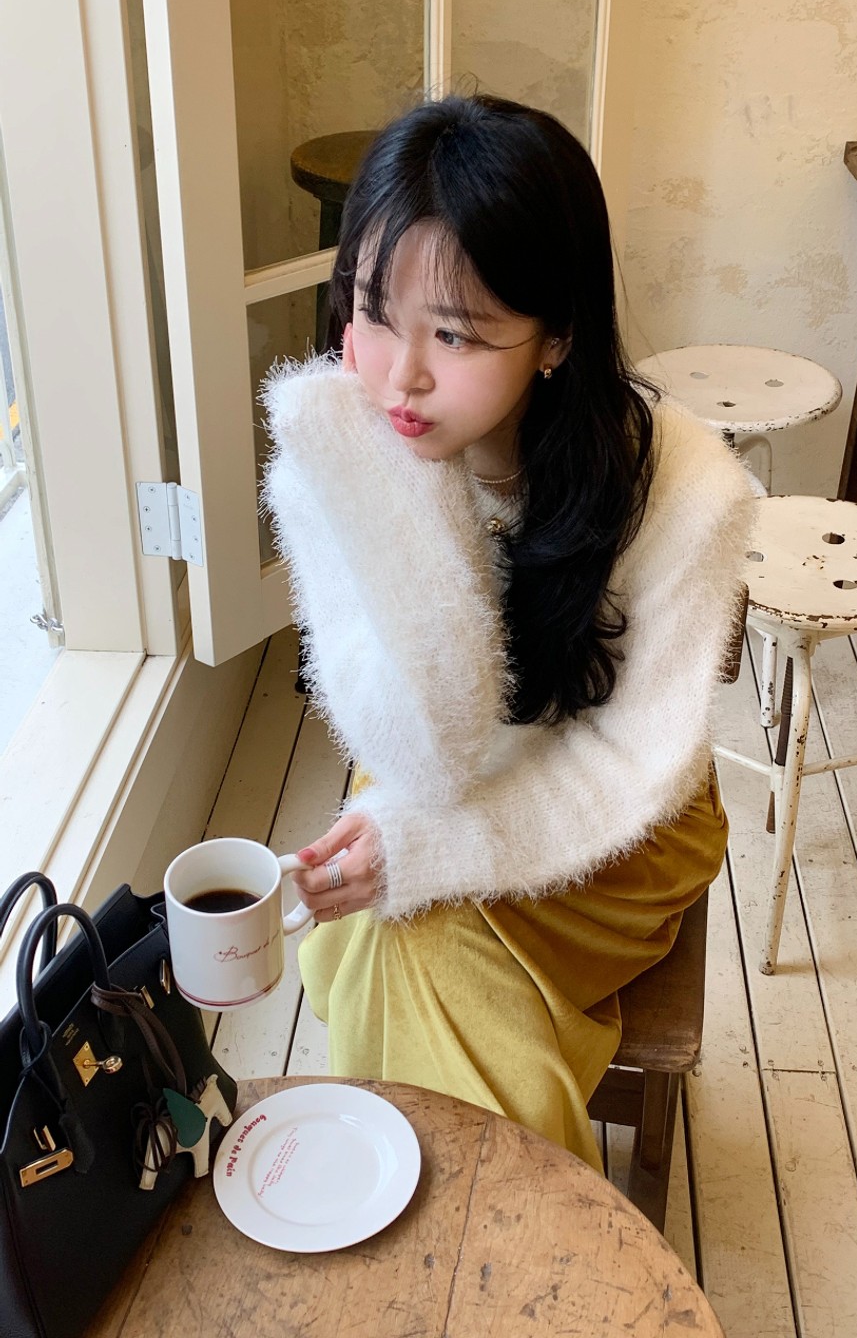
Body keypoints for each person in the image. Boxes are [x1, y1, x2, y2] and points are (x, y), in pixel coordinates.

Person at [262, 93, 753, 1170]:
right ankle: (504, 1227)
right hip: (443, 780)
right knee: (403, 948)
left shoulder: (688, 490)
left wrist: (423, 849)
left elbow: (632, 768)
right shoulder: (349, 443)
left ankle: (438, 1215)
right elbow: (414, 746)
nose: (400, 375)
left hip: (626, 824)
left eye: (456, 334)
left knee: (405, 950)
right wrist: (382, 492)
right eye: (373, 312)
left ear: (556, 338)